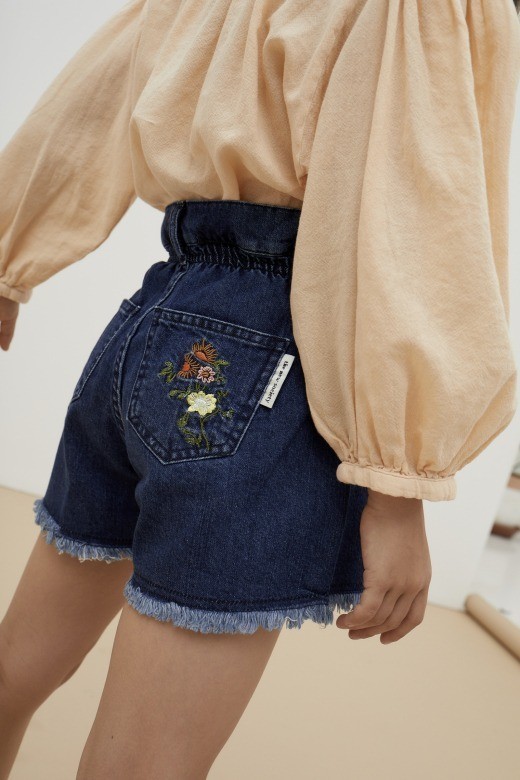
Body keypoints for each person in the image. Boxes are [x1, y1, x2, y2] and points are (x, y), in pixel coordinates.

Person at [1, 0, 519, 776]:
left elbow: (96, 95)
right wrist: (398, 483)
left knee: (13, 669)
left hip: (157, 312)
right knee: (147, 764)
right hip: (280, 348)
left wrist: (10, 251)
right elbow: (405, 212)